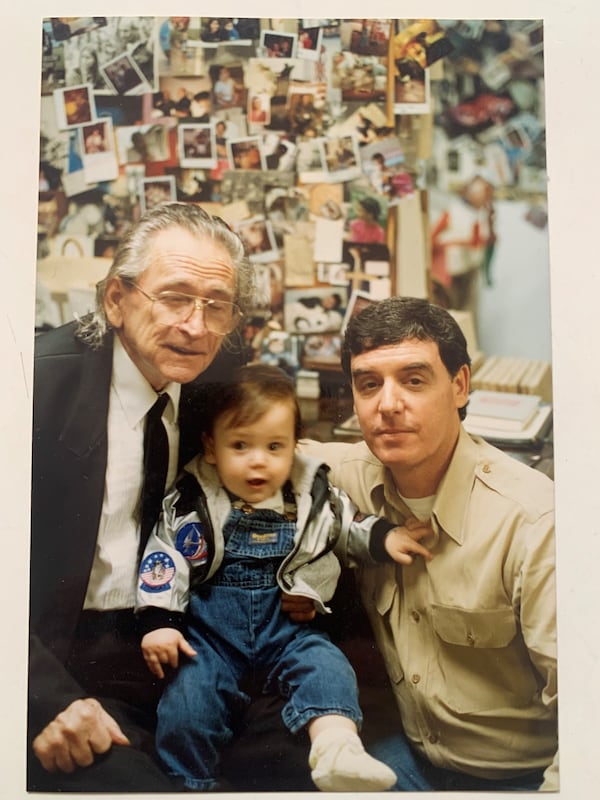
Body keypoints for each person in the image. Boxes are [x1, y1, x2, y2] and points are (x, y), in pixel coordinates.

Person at [28, 202, 256, 792]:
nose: (196, 326)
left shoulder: (217, 375)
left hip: (179, 641)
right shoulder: (33, 387)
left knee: (287, 758)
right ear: (115, 300)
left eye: (217, 305)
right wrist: (41, 700)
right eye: (175, 297)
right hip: (59, 656)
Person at [298, 296, 557, 791]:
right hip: (407, 754)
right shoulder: (343, 476)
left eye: (414, 380)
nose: (388, 404)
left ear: (459, 386)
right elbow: (254, 449)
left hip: (519, 776)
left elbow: (588, 712)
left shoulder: (533, 519)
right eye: (368, 384)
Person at [135, 363, 432, 791]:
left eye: (275, 447)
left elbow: (346, 523)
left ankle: (336, 749)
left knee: (329, 669)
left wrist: (387, 538)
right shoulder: (194, 498)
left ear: (294, 447)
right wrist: (159, 623)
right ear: (212, 447)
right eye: (240, 445)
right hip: (210, 638)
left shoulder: (310, 493)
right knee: (187, 703)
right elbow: (165, 557)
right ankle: (187, 781)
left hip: (287, 631)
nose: (259, 461)